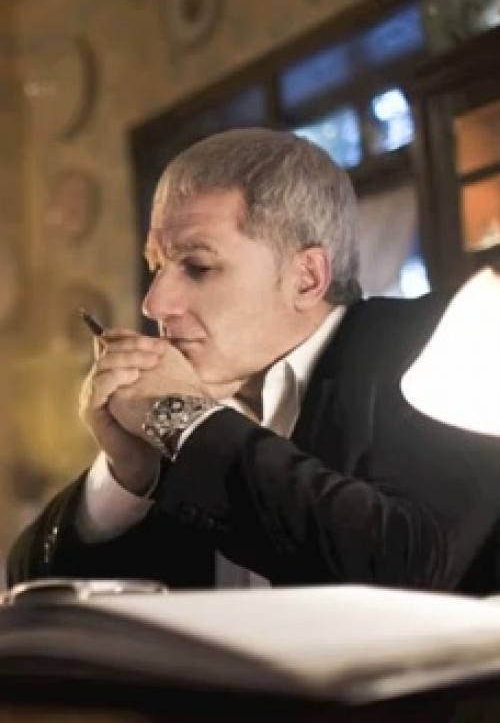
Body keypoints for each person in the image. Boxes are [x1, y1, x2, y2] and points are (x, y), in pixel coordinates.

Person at [7, 127, 500, 594]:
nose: (154, 304)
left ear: (307, 278)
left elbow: (404, 566)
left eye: (197, 266)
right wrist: (128, 475)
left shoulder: (454, 338)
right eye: (156, 266)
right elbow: (29, 586)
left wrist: (182, 420)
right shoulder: (185, 418)